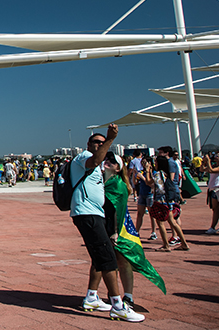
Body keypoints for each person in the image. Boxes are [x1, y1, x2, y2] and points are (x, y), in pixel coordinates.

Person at [70, 125, 144, 322]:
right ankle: (118, 305)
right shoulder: (83, 157)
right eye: (97, 142)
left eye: (103, 143)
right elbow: (94, 161)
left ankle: (92, 297)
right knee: (108, 259)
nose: (100, 145)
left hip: (94, 214)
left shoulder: (102, 168)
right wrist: (111, 139)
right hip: (87, 213)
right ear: (88, 144)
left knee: (99, 257)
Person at [102, 152, 166, 308]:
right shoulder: (102, 182)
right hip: (106, 226)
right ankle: (114, 293)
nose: (108, 162)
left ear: (118, 169)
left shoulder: (118, 185)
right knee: (112, 262)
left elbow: (119, 210)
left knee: (123, 262)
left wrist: (115, 231)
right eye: (107, 159)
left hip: (120, 229)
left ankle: (128, 296)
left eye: (112, 161)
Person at [143, 156, 189, 252]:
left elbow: (148, 182)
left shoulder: (158, 174)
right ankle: (184, 243)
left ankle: (166, 245)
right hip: (169, 200)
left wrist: (147, 171)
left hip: (160, 201)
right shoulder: (166, 173)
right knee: (173, 222)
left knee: (160, 223)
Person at [201, 152, 219, 234]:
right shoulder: (215, 165)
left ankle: (212, 227)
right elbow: (202, 169)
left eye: (218, 156)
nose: (215, 157)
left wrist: (208, 161)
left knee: (216, 209)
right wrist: (203, 163)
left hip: (218, 189)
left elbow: (211, 170)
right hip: (212, 188)